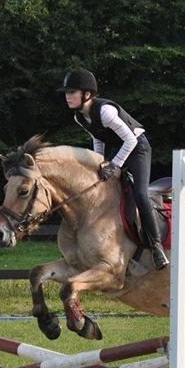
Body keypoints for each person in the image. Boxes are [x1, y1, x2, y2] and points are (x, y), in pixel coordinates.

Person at [58, 68, 169, 270]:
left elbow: (130, 140)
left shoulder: (105, 112)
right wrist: (100, 162)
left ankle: (156, 247)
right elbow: (98, 139)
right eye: (66, 92)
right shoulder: (79, 117)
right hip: (119, 149)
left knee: (141, 195)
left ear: (87, 94)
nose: (67, 96)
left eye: (71, 92)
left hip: (137, 148)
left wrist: (114, 165)